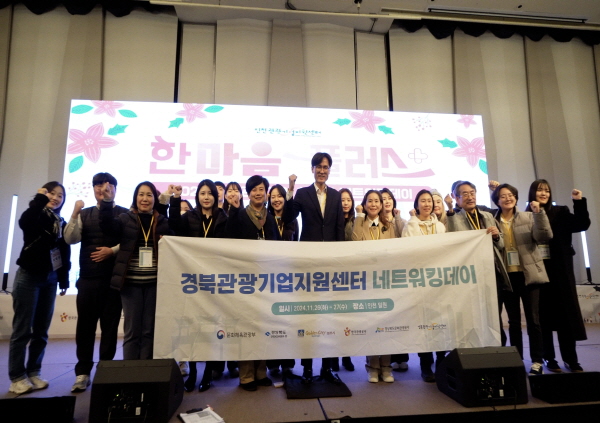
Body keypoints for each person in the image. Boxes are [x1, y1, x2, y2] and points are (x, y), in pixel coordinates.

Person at [64, 173, 128, 393]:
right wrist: (74, 213)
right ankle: (82, 373)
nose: (103, 189)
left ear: (115, 189)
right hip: (88, 280)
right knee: (85, 328)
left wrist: (112, 251)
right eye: (98, 185)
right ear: (93, 189)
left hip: (113, 281)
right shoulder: (85, 213)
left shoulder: (124, 214)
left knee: (110, 328)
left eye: (108, 185)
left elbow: (130, 242)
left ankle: (105, 370)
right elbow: (70, 239)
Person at [286, 152, 345, 383]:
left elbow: (339, 228)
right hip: (308, 262)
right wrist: (290, 189)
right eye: (318, 166)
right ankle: (308, 368)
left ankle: (328, 368)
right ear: (312, 169)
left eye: (326, 167)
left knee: (330, 317)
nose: (322, 170)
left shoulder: (336, 195)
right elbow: (288, 216)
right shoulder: (302, 193)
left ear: (329, 170)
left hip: (331, 262)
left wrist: (340, 259)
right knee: (309, 316)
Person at [8, 182, 70, 395]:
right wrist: (39, 199)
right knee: (22, 330)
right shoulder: (35, 215)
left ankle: (34, 371)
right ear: (43, 194)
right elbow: (24, 222)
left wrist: (63, 280)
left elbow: (64, 253)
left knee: (41, 331)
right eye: (51, 193)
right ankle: (17, 377)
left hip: (50, 279)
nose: (55, 198)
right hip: (29, 277)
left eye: (60, 195)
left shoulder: (60, 222)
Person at [99, 181, 172, 360]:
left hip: (155, 284)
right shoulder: (125, 219)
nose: (145, 199)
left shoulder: (162, 221)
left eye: (149, 195)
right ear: (135, 198)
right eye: (141, 194)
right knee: (132, 331)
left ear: (155, 199)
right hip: (130, 284)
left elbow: (175, 237)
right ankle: (130, 371)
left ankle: (145, 370)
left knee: (149, 331)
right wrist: (107, 201)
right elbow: (108, 228)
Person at [169, 180, 229, 392]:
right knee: (193, 329)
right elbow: (174, 225)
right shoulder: (190, 217)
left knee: (211, 329)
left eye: (209, 193)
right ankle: (193, 372)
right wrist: (175, 199)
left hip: (215, 281)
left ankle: (208, 373)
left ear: (215, 196)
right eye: (202, 193)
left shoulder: (223, 218)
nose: (206, 197)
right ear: (198, 196)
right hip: (193, 280)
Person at [527, 180, 590, 373]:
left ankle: (571, 359)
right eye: (539, 190)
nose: (543, 193)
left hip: (561, 272)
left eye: (546, 190)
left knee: (566, 317)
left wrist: (578, 202)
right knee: (543, 318)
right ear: (532, 193)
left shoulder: (561, 211)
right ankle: (549, 358)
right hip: (539, 271)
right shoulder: (526, 214)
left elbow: (582, 224)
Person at [225, 175, 281, 391]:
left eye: (261, 189)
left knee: (264, 326)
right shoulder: (239, 215)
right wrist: (233, 210)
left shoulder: (270, 218)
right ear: (248, 194)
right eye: (254, 189)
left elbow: (277, 245)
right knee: (246, 327)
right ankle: (246, 376)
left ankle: (261, 372)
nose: (258, 193)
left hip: (266, 281)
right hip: (245, 281)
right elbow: (229, 240)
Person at [491, 183, 552, 375]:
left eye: (511, 195)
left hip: (528, 275)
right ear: (497, 201)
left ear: (516, 198)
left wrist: (539, 214)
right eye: (503, 196)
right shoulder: (492, 220)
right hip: (507, 276)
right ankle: (516, 360)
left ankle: (537, 361)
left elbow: (544, 236)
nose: (507, 198)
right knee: (514, 322)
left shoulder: (528, 216)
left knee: (533, 320)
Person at [445, 181, 512, 353]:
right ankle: (476, 352)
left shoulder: (487, 216)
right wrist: (450, 210)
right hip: (470, 275)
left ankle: (498, 350)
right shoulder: (454, 217)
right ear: (456, 198)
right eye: (465, 194)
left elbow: (501, 245)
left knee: (494, 314)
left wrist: (496, 237)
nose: (470, 197)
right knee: (473, 316)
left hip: (491, 272)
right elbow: (453, 237)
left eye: (472, 193)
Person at [351, 190, 399, 383]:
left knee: (387, 324)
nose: (373, 204)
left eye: (376, 201)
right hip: (367, 282)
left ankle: (386, 366)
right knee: (371, 325)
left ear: (381, 205)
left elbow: (395, 250)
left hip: (386, 281)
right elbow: (354, 242)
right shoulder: (359, 223)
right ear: (364, 204)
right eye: (369, 201)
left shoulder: (388, 225)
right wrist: (359, 217)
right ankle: (372, 366)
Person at [402, 189, 447, 382]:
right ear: (417, 204)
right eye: (423, 201)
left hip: (438, 281)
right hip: (419, 281)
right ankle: (425, 365)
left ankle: (442, 362)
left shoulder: (441, 227)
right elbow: (407, 251)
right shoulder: (410, 226)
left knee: (441, 322)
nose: (427, 204)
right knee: (424, 324)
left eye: (430, 201)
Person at [265, 183, 299, 377]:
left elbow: (297, 244)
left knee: (288, 321)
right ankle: (272, 362)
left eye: (280, 196)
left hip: (288, 277)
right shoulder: (265, 218)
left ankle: (287, 362)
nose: (276, 200)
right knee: (271, 320)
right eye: (273, 197)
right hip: (269, 277)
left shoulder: (292, 221)